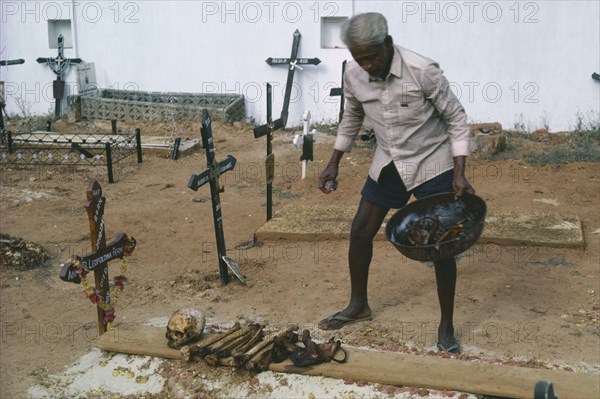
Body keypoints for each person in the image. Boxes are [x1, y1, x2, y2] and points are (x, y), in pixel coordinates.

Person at [317, 12, 474, 353]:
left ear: (387, 44)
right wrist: (333, 162)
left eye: (372, 56)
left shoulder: (422, 70)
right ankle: (359, 305)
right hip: (388, 160)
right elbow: (352, 117)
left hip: (432, 162)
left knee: (440, 243)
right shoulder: (354, 73)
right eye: (360, 58)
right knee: (360, 230)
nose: (368, 64)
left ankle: (446, 327)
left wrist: (459, 172)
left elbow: (457, 119)